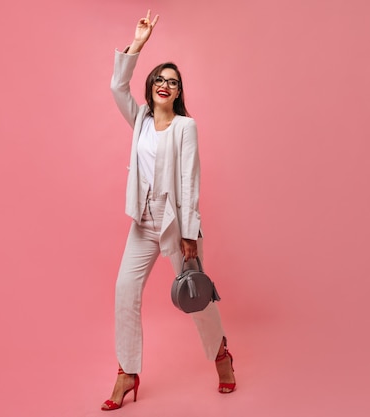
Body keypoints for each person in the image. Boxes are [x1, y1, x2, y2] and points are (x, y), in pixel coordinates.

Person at [101, 10, 236, 411]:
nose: (165, 85)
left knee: (196, 297)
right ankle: (128, 371)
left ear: (179, 92)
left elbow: (190, 181)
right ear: (151, 85)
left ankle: (221, 355)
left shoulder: (185, 127)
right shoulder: (140, 118)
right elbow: (115, 85)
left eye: (172, 82)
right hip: (142, 223)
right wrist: (138, 44)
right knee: (125, 292)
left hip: (176, 226)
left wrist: (190, 235)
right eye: (159, 79)